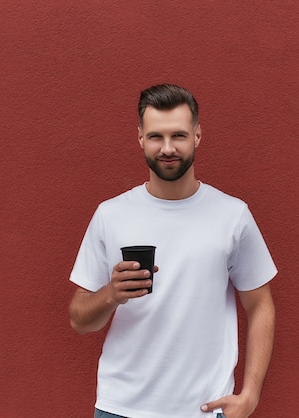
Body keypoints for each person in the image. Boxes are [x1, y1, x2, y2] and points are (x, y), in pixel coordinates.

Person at [69, 84, 278, 418]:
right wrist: (111, 294)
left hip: (204, 410)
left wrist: (250, 395)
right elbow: (79, 319)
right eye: (155, 137)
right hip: (120, 408)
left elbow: (261, 305)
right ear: (140, 138)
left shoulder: (232, 215)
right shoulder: (111, 215)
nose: (167, 148)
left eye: (178, 135)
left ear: (197, 136)